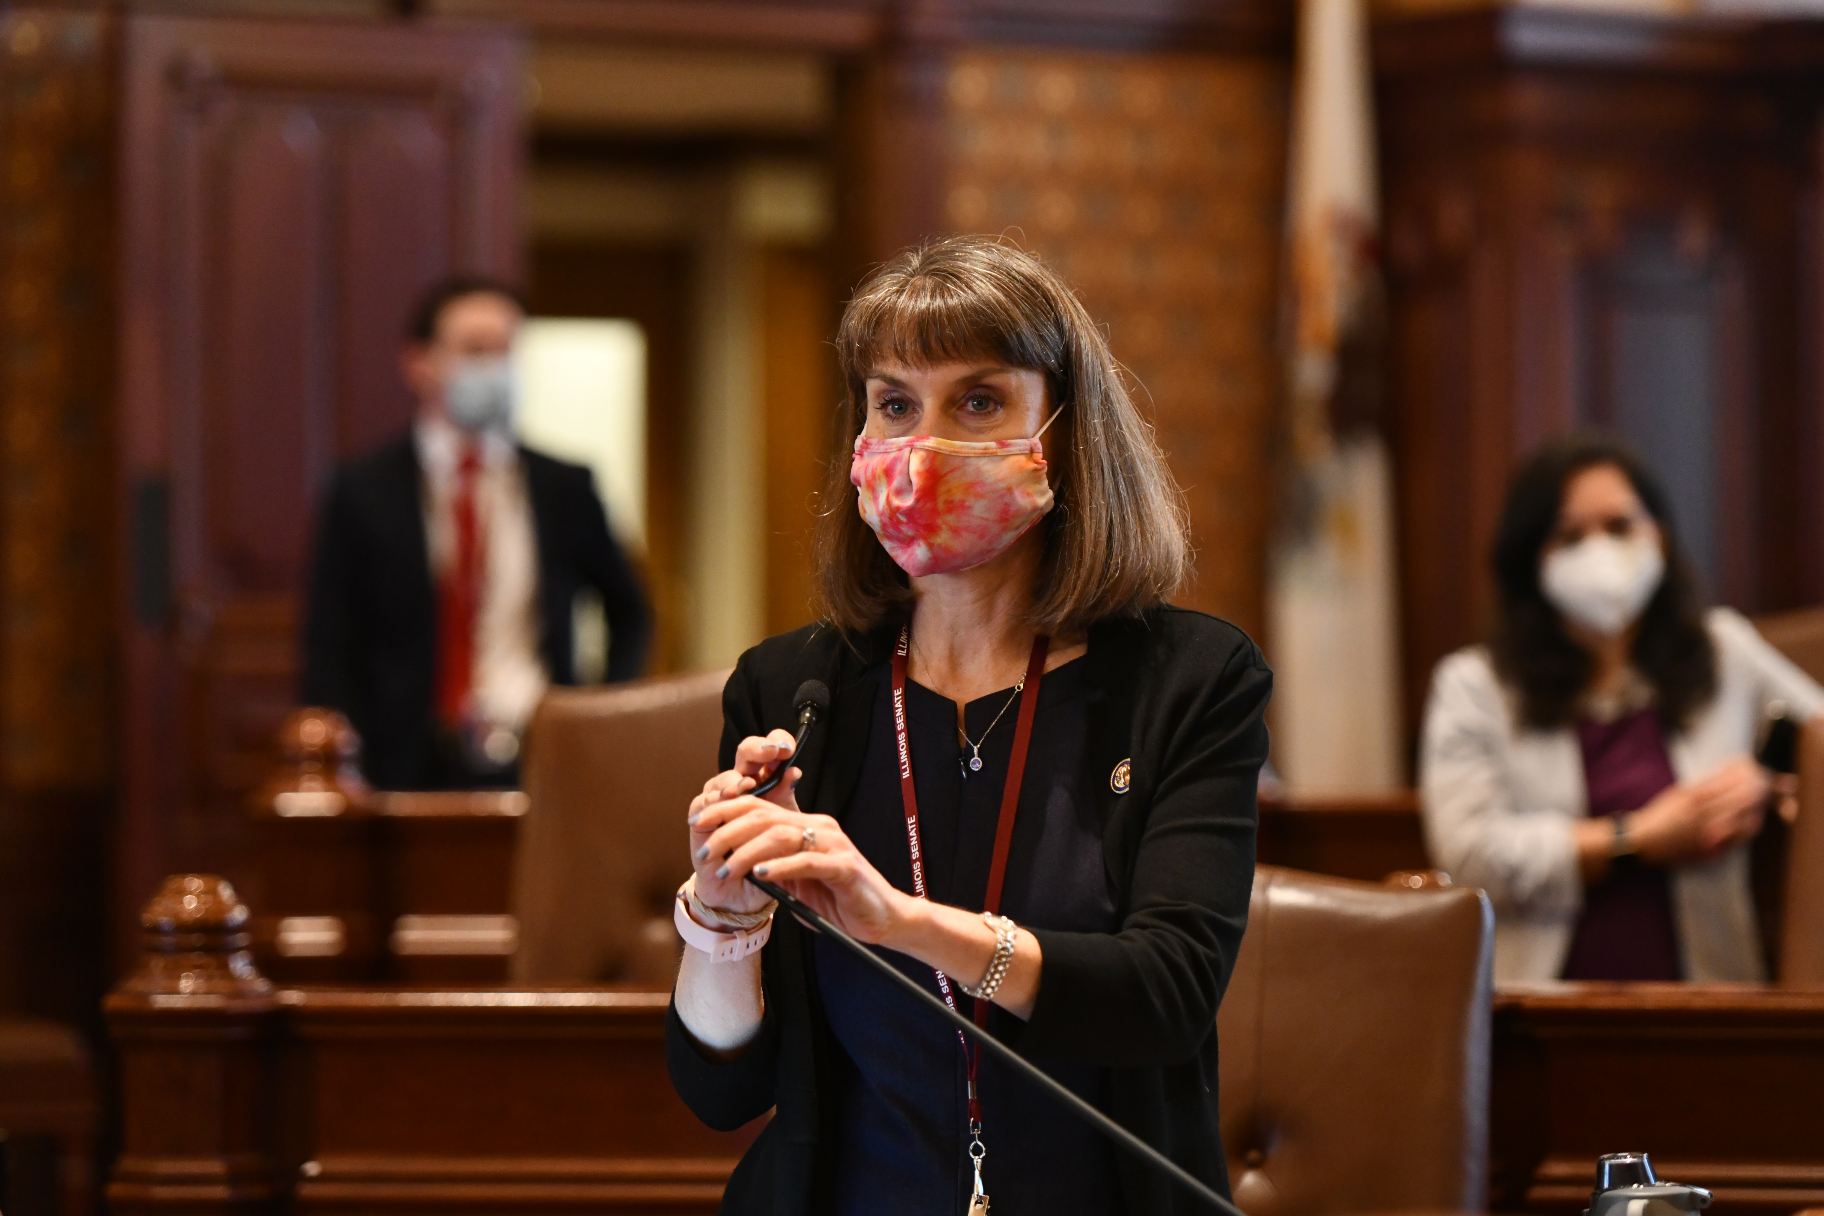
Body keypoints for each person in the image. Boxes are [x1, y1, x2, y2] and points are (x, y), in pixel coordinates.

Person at [666, 236, 1270, 1216]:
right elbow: (720, 1089)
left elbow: (1167, 993)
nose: (927, 442)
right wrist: (722, 915)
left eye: (978, 401)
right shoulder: (793, 690)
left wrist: (897, 920)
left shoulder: (1189, 678)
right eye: (896, 403)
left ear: (1064, 434)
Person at [1420, 434, 1824, 984]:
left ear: (1658, 534)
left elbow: (1818, 740)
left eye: (1618, 526)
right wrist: (1639, 839)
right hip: (1538, 1013)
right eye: (1569, 536)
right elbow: (1471, 853)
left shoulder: (1723, 649)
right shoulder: (1474, 685)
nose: (1600, 551)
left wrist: (1770, 782)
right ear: (1529, 557)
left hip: (1712, 1000)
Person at [302, 276, 651, 790]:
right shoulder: (362, 491)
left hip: (537, 754)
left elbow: (630, 609)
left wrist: (596, 714)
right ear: (420, 363)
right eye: (474, 349)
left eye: (506, 350)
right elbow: (328, 641)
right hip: (401, 763)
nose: (494, 367)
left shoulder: (563, 485)